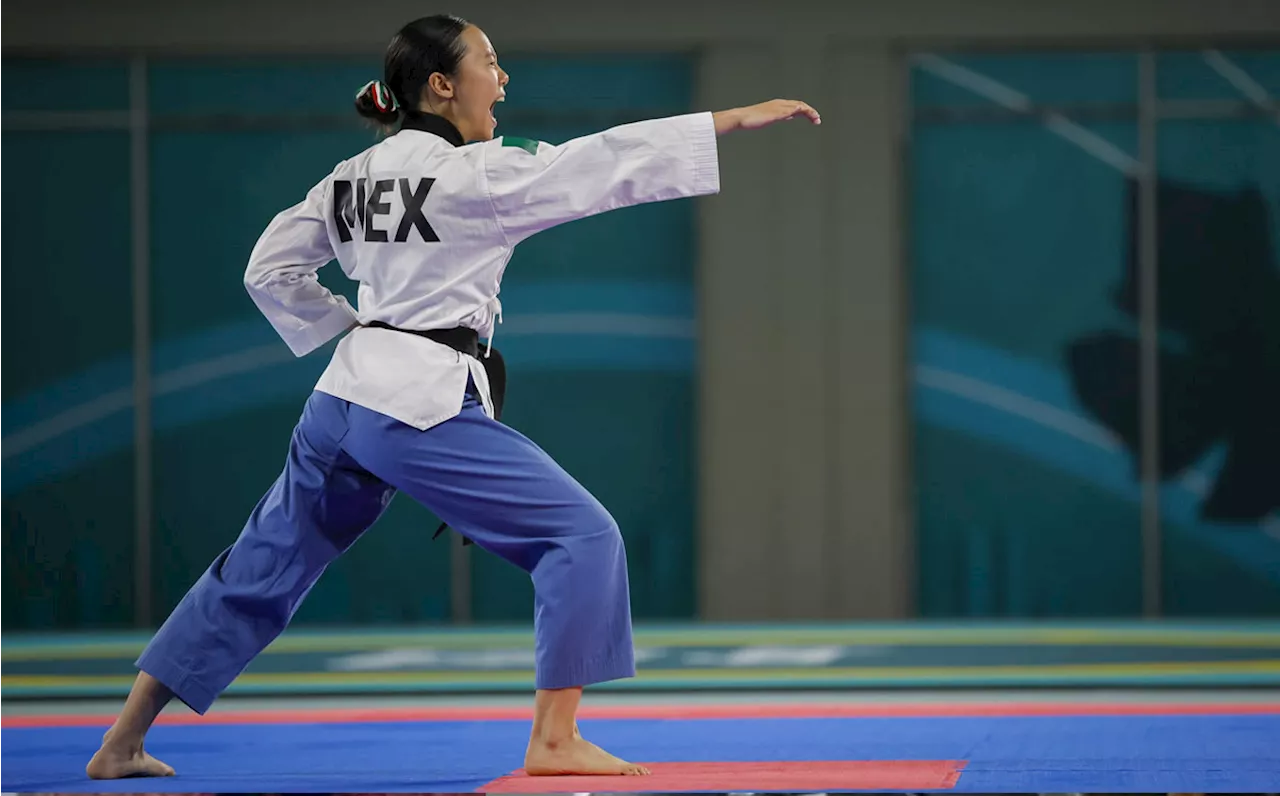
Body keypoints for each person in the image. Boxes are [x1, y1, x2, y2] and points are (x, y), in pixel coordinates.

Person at [86, 13, 820, 781]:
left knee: (258, 567)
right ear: (442, 85)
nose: (502, 80)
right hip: (416, 404)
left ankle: (121, 741)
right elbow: (601, 163)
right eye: (490, 64)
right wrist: (732, 119)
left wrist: (351, 327)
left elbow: (267, 270)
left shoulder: (351, 175)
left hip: (340, 402)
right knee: (582, 538)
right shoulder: (480, 174)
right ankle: (555, 739)